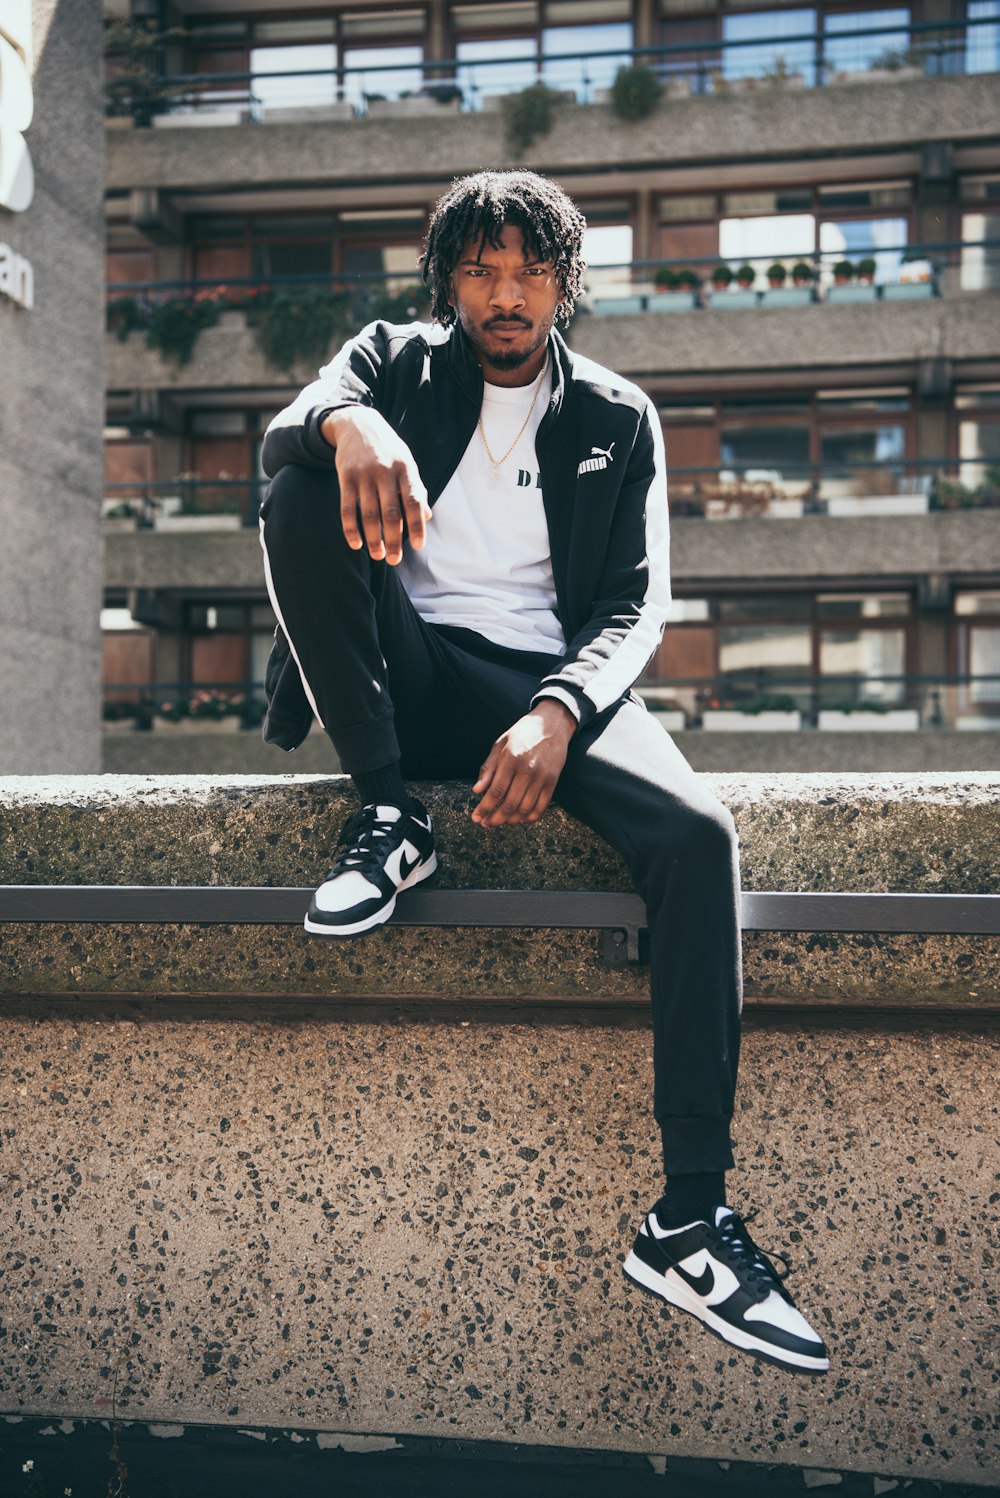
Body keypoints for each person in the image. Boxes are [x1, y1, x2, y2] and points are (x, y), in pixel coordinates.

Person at [258, 170, 829, 1376]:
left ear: (566, 281)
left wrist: (560, 712)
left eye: (529, 270)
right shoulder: (393, 362)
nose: (504, 294)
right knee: (298, 485)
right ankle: (387, 822)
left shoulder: (616, 417)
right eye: (480, 268)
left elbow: (634, 603)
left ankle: (689, 1217)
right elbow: (286, 435)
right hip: (409, 688)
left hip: (550, 690)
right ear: (447, 278)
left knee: (696, 836)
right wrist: (344, 424)